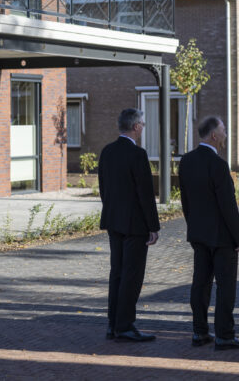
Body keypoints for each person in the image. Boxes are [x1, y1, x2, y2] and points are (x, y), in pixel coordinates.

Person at [179, 116, 239, 351]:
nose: (226, 135)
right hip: (222, 237)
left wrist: (193, 226)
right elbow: (228, 206)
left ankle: (199, 332)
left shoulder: (186, 161)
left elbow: (185, 200)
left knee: (200, 284)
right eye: (223, 130)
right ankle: (225, 335)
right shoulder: (218, 165)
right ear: (214, 135)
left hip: (198, 234)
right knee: (225, 286)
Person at [98, 108, 160, 343]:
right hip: (135, 224)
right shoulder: (138, 154)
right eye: (142, 124)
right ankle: (124, 325)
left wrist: (111, 211)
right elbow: (145, 193)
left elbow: (103, 187)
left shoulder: (107, 151)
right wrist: (153, 226)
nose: (143, 128)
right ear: (135, 127)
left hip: (113, 221)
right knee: (131, 275)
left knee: (117, 272)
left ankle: (113, 323)